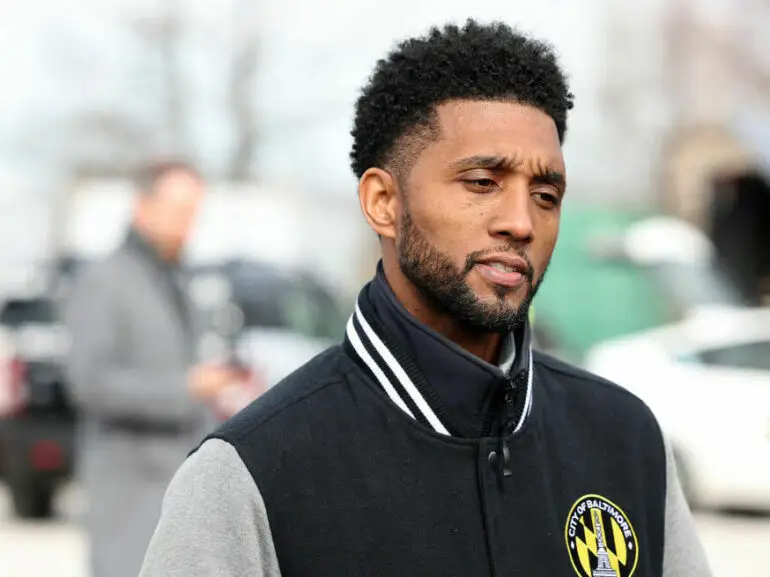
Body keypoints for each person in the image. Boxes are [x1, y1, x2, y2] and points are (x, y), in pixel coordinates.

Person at [140, 22, 712, 577]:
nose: (520, 222)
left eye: (545, 194)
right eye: (482, 182)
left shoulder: (624, 439)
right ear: (383, 202)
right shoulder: (251, 474)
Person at [64, 159, 237, 577]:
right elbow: (89, 384)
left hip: (183, 488)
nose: (188, 224)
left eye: (194, 212)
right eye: (180, 211)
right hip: (128, 498)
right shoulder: (104, 281)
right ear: (143, 207)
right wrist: (186, 388)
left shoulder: (178, 279)